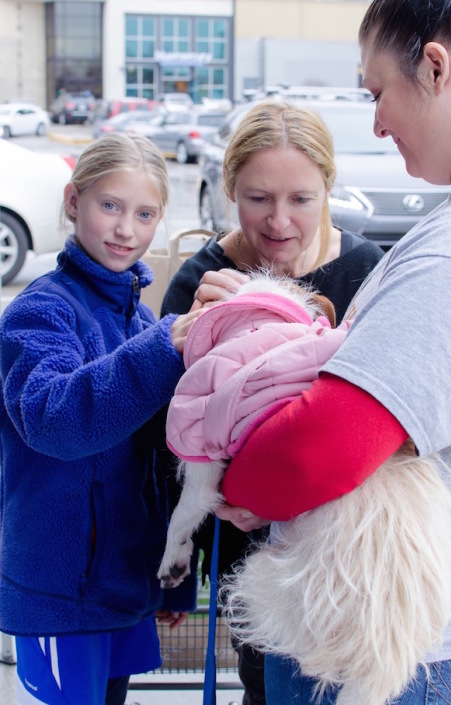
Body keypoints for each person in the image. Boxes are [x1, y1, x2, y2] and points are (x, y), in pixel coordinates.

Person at [210, 1, 451, 703]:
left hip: (390, 652)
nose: (377, 121)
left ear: (435, 68)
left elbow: (316, 449)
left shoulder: (450, 257)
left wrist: (234, 484)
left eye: (378, 90)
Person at [159, 100, 384, 705]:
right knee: (269, 686)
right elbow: (178, 432)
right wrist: (188, 337)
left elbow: (389, 420)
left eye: (301, 200)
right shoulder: (202, 283)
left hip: (352, 552)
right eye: (258, 198)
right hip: (252, 556)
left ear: (329, 188)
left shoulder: (369, 273)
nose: (279, 221)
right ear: (229, 188)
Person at [0, 132, 201, 705]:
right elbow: (53, 418)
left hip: (122, 590)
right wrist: (163, 349)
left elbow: (158, 466)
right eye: (109, 205)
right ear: (73, 201)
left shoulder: (137, 320)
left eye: (144, 214)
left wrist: (171, 581)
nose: (124, 229)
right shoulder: (40, 310)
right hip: (63, 593)